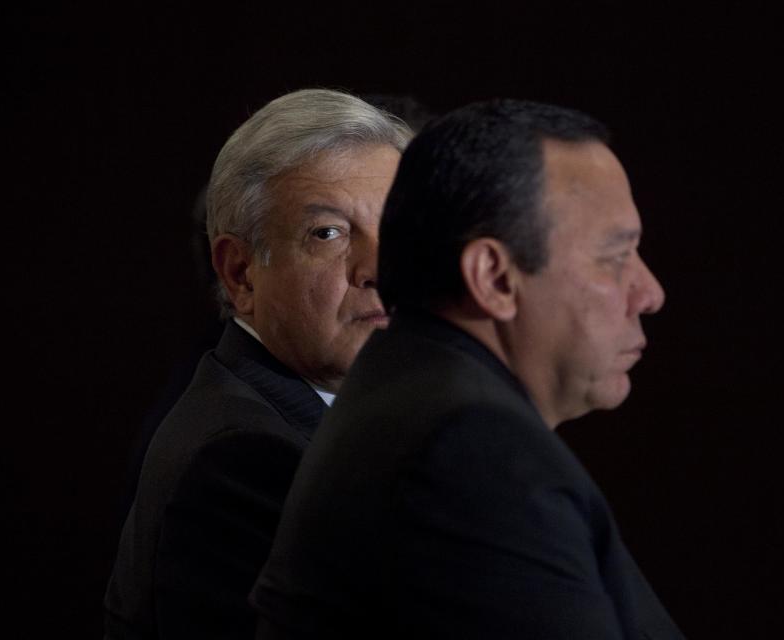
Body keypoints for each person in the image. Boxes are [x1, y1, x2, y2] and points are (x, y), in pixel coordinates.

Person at [251, 99, 685, 639]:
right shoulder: (468, 451)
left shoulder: (410, 392)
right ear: (495, 279)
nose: (650, 294)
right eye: (615, 257)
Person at [103, 88, 412, 639]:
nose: (376, 268)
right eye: (329, 234)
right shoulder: (242, 456)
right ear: (241, 273)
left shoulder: (334, 417)